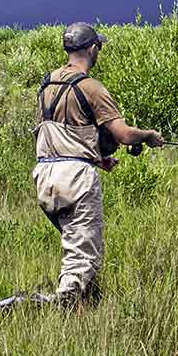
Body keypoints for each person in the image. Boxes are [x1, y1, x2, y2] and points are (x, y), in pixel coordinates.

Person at [28, 22, 162, 308]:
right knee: (83, 255)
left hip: (45, 176)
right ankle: (61, 311)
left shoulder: (46, 84)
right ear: (92, 49)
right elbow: (124, 135)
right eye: (98, 47)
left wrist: (98, 159)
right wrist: (149, 136)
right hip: (76, 180)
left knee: (75, 244)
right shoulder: (92, 88)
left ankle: (82, 303)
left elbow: (55, 134)